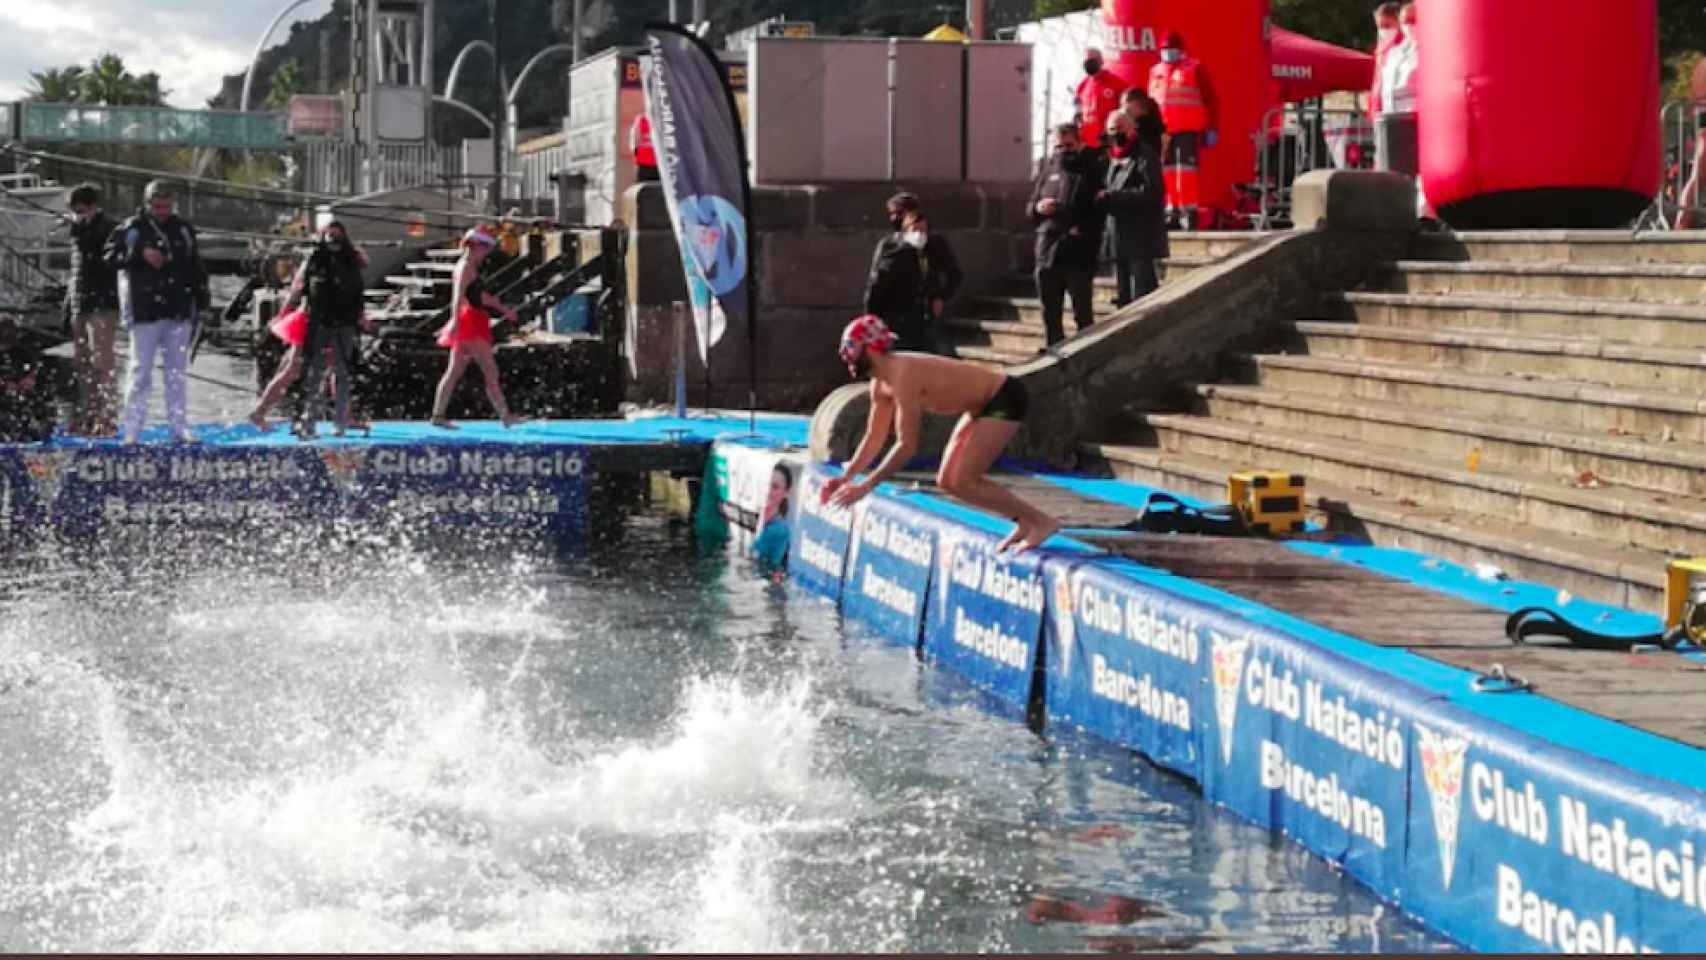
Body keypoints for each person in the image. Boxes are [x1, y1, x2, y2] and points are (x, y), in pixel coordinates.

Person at [821, 315, 1060, 553]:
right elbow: (874, 436)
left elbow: (907, 445)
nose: (844, 355)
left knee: (965, 478)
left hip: (1003, 399)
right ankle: (1024, 521)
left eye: (849, 347)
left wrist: (866, 487)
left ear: (871, 349)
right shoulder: (881, 384)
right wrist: (847, 477)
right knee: (948, 481)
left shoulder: (904, 375)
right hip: (978, 407)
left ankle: (1042, 522)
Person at [106, 179, 209, 445]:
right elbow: (109, 257)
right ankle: (132, 430)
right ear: (147, 203)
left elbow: (196, 267)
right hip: (144, 310)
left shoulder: (183, 229)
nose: (162, 211)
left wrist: (203, 303)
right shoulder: (132, 228)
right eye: (157, 205)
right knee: (140, 371)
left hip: (178, 307)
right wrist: (139, 254)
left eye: (166, 206)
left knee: (176, 373)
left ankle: (179, 428)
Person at [430, 225, 522, 429]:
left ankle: (438, 415)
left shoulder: (469, 267)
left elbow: (479, 296)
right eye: (486, 248)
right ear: (476, 246)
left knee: (454, 372)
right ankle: (505, 416)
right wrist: (455, 321)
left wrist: (504, 309)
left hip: (471, 320)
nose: (487, 253)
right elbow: (457, 298)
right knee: (490, 370)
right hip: (470, 323)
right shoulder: (464, 268)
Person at [1029, 123, 1106, 346]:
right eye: (1058, 147)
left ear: (1079, 143)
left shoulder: (1092, 168)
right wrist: (1039, 207)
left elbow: (1099, 209)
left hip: (1078, 252)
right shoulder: (1048, 169)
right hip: (1047, 251)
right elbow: (1030, 207)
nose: (1063, 151)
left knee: (1083, 314)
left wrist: (1081, 229)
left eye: (1068, 145)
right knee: (1050, 315)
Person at [294, 222, 370, 439]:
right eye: (329, 236)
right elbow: (303, 286)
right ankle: (308, 420)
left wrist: (359, 316)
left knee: (342, 372)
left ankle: (340, 423)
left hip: (345, 323)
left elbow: (358, 289)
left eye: (337, 236)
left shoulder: (351, 259)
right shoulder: (316, 258)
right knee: (314, 372)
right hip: (319, 321)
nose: (333, 240)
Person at [861, 192, 963, 355]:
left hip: (927, 316)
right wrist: (872, 321)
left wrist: (941, 297)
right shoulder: (890, 246)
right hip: (898, 319)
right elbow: (876, 284)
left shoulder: (934, 243)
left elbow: (954, 274)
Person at [64, 182, 120, 437]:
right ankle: (86, 412)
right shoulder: (77, 230)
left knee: (103, 359)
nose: (77, 214)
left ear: (93, 207)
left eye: (81, 210)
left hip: (103, 300)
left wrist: (78, 228)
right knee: (82, 360)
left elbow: (97, 256)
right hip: (80, 300)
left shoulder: (106, 228)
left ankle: (106, 415)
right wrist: (69, 303)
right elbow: (75, 269)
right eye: (74, 210)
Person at [1148, 31, 1220, 230]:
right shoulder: (1155, 71)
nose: (1168, 53)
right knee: (1167, 172)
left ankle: (1189, 212)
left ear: (1181, 50)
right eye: (1164, 49)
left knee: (1186, 172)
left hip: (1187, 129)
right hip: (1163, 132)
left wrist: (1212, 127)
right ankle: (1171, 210)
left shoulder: (1194, 69)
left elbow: (1210, 100)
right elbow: (1151, 103)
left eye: (1171, 49)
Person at [1100, 112, 1169, 308]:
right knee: (1123, 296)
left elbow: (1153, 193)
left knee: (1143, 294)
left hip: (1140, 237)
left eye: (1120, 129)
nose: (1116, 133)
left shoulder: (1145, 155)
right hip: (1118, 236)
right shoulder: (1111, 158)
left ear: (1132, 129)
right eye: (1112, 130)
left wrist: (1114, 197)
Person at [0, 314, 52, 443]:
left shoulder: (22, 352)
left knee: (31, 425)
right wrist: (5, 384)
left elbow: (35, 370)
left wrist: (28, 380)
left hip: (18, 404)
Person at [1074, 45, 1128, 150]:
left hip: (1110, 140)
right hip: (1088, 142)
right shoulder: (1082, 86)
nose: (1089, 64)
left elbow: (1126, 111)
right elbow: (1078, 113)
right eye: (1086, 62)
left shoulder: (1116, 84)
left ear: (1101, 61)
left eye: (1092, 60)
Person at [752, 462, 794, 572]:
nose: (768, 491)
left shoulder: (779, 530)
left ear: (786, 493)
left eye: (775, 487)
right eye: (766, 484)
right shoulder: (759, 521)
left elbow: (771, 570)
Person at [1368, 2, 1403, 119]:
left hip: (1394, 108)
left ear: (1399, 21)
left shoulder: (1404, 46)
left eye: (1387, 25)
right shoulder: (1381, 48)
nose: (1382, 30)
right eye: (1379, 27)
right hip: (1380, 107)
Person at [1120, 88, 1167, 156]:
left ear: (1135, 103)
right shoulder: (1156, 124)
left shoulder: (1141, 128)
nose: (1122, 109)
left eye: (1124, 104)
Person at [632, 114, 660, 183]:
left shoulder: (641, 119)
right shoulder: (660, 120)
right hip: (656, 160)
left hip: (644, 161)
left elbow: (635, 140)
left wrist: (636, 153)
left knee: (643, 186)